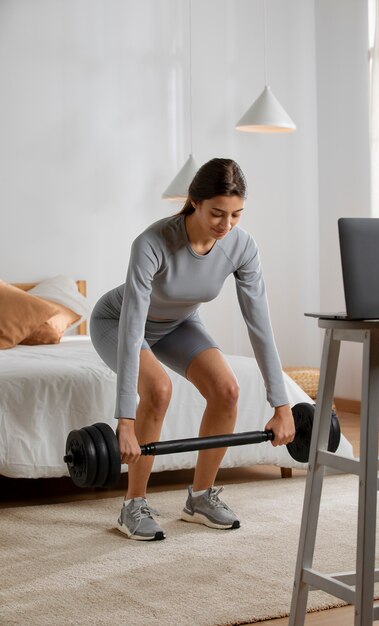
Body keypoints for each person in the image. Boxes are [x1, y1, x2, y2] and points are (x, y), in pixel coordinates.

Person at [90, 157, 295, 541]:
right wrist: (125, 420)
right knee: (158, 389)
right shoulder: (152, 242)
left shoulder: (242, 246)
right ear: (194, 202)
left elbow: (259, 325)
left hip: (179, 324)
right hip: (118, 322)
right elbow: (134, 320)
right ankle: (133, 504)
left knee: (227, 390)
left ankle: (200, 498)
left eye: (236, 214)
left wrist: (281, 405)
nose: (226, 225)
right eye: (218, 213)